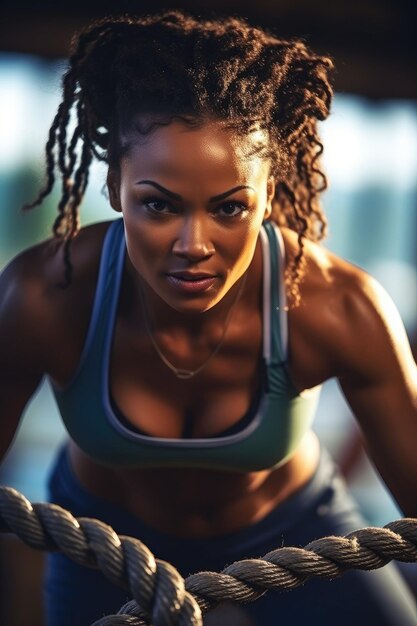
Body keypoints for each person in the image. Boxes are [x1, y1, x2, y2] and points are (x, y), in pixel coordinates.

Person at [1, 10, 417, 626]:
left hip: (295, 533)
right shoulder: (44, 296)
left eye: (228, 208)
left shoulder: (339, 308)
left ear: (268, 195)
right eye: (158, 205)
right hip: (101, 544)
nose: (194, 245)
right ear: (115, 187)